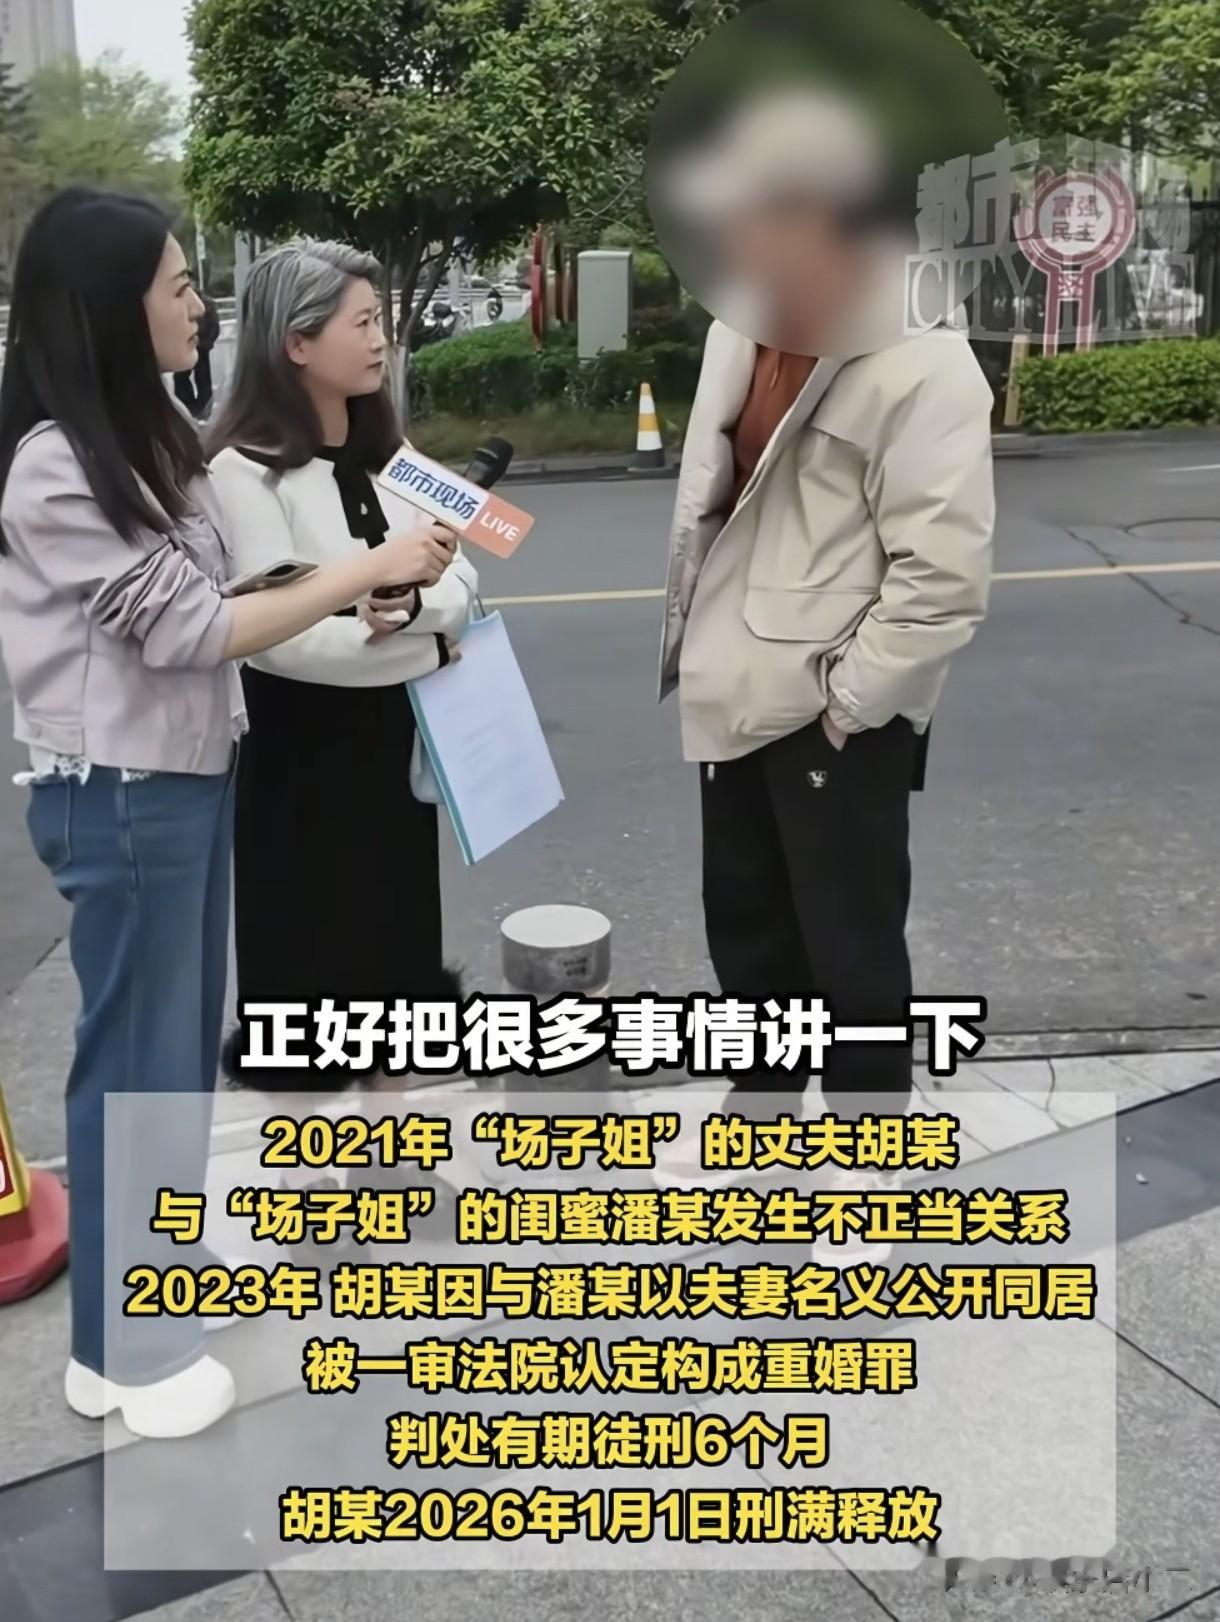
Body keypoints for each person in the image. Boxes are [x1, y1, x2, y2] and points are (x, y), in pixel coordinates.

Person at [0, 190, 457, 1437]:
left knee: (167, 1060)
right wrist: (365, 572)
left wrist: (391, 590)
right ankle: (132, 1355)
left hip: (184, 779)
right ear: (109, 309)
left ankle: (138, 1306)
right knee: (138, 1069)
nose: (198, 305)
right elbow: (193, 624)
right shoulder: (58, 463)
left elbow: (245, 588)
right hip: (124, 792)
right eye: (174, 285)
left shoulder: (143, 430)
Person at [656, 88, 997, 1212]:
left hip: (830, 708)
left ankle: (867, 1166)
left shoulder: (922, 360)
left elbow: (941, 579)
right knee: (749, 931)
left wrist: (850, 704)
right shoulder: (740, 326)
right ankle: (758, 1127)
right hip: (729, 689)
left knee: (851, 952)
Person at [207, 240, 479, 1095]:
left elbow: (462, 579)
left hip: (396, 754)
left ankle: (393, 1144)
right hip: (300, 766)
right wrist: (428, 646)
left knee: (399, 966)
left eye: (379, 321)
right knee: (306, 987)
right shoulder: (243, 473)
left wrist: (417, 615)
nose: (379, 340)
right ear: (296, 342)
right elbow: (279, 640)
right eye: (361, 323)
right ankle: (311, 1161)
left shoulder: (393, 455)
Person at [173, 290, 220, 420]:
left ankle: (192, 408)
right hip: (196, 343)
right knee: (199, 377)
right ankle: (200, 409)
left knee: (186, 376)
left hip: (196, 343)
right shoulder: (204, 304)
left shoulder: (200, 305)